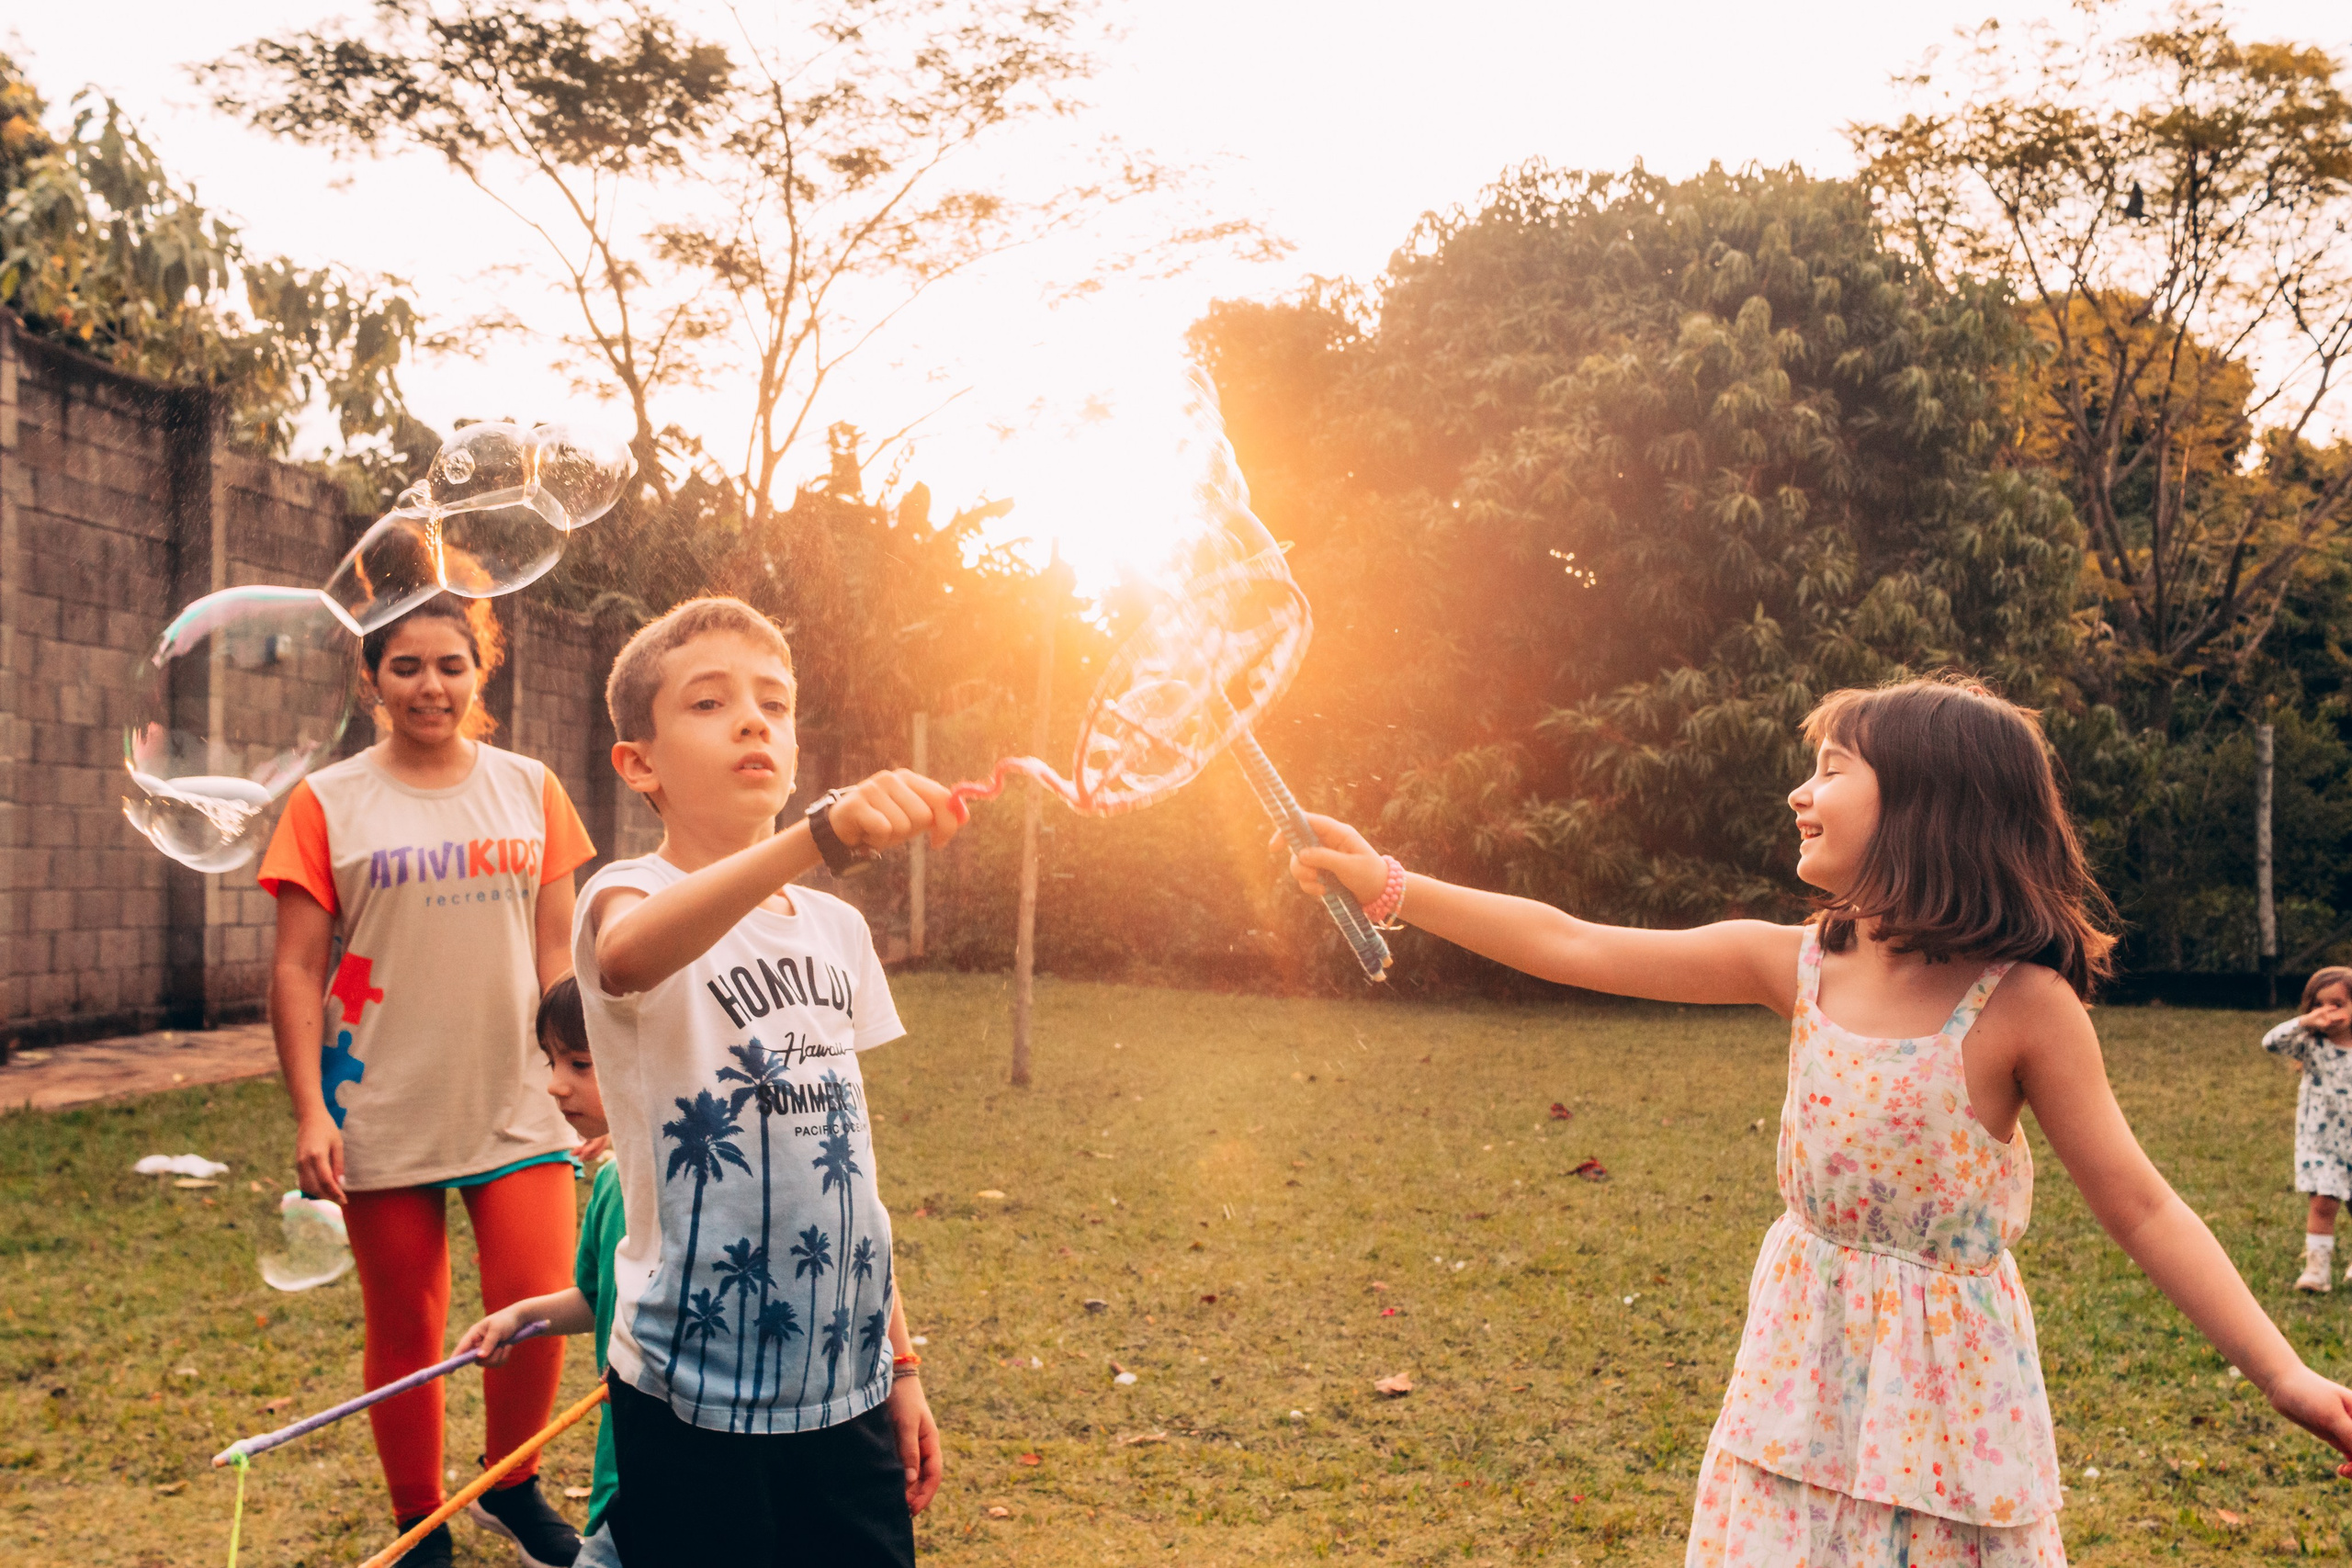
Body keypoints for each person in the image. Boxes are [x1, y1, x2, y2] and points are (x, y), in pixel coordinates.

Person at [1284, 675, 2352, 1566]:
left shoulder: (2025, 1007)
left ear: (1931, 803)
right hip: (1792, 1397)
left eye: (1834, 767)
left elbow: (2145, 1206)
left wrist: (2286, 1375)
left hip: (1948, 1424)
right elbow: (1572, 941)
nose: (1801, 789)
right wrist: (1389, 882)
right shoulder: (1796, 965)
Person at [571, 596, 956, 1567]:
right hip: (692, 1389)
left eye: (774, 704)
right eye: (709, 704)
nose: (753, 720)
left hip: (848, 1388)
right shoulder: (627, 893)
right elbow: (625, 958)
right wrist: (818, 838)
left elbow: (848, 1167)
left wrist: (900, 1364)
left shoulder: (837, 931)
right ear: (639, 763)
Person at [261, 593, 596, 1568]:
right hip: (380, 1102)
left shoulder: (531, 789)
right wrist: (312, 1111)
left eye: (451, 664)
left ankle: (512, 1488)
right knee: (405, 1326)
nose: (429, 686)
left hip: (518, 1098)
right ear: (372, 680)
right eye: (405, 666)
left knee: (535, 1307)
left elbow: (557, 957)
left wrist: (581, 1080)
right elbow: (295, 970)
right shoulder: (328, 801)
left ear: (479, 671)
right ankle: (419, 1522)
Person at [459, 976, 628, 1568]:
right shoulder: (611, 1183)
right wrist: (524, 1315)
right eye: (553, 1062)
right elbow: (594, 1296)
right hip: (622, 1475)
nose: (555, 1085)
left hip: (691, 1468)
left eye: (580, 1063)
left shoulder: (700, 1189)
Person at [2262, 967, 2352, 1292]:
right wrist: (2304, 1022)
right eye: (2319, 1005)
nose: (2328, 1013)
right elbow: (2270, 1042)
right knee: (2323, 1204)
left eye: (2338, 1003)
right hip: (2322, 1144)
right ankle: (2317, 1270)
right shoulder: (2309, 1045)